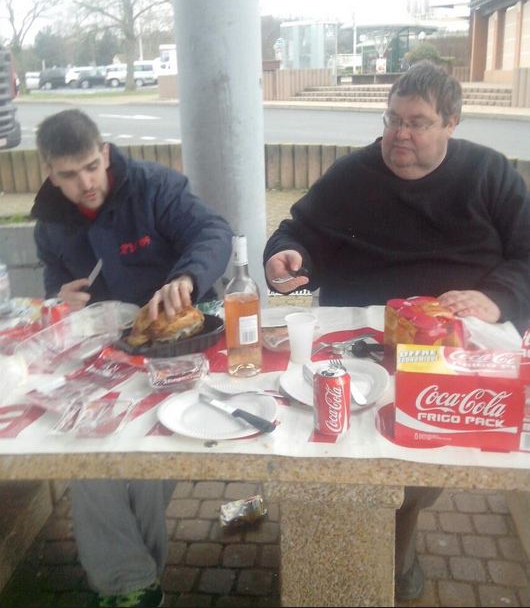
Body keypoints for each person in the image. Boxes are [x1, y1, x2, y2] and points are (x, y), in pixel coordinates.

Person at [263, 61, 530, 601]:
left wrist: (496, 297)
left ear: (451, 123)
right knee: (327, 446)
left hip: (451, 347)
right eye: (391, 119)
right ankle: (344, 559)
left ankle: (387, 561)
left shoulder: (490, 174)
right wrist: (284, 256)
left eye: (418, 122)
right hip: (355, 339)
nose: (399, 133)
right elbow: (299, 231)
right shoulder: (353, 174)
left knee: (411, 468)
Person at [32, 109, 233, 608]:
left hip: (177, 343)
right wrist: (60, 299)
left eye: (89, 168)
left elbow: (212, 233)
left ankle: (131, 582)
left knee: (149, 450)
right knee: (88, 448)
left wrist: (186, 278)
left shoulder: (153, 186)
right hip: (105, 350)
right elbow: (52, 285)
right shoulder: (51, 222)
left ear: (103, 153)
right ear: (49, 174)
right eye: (67, 175)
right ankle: (132, 584)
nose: (84, 184)